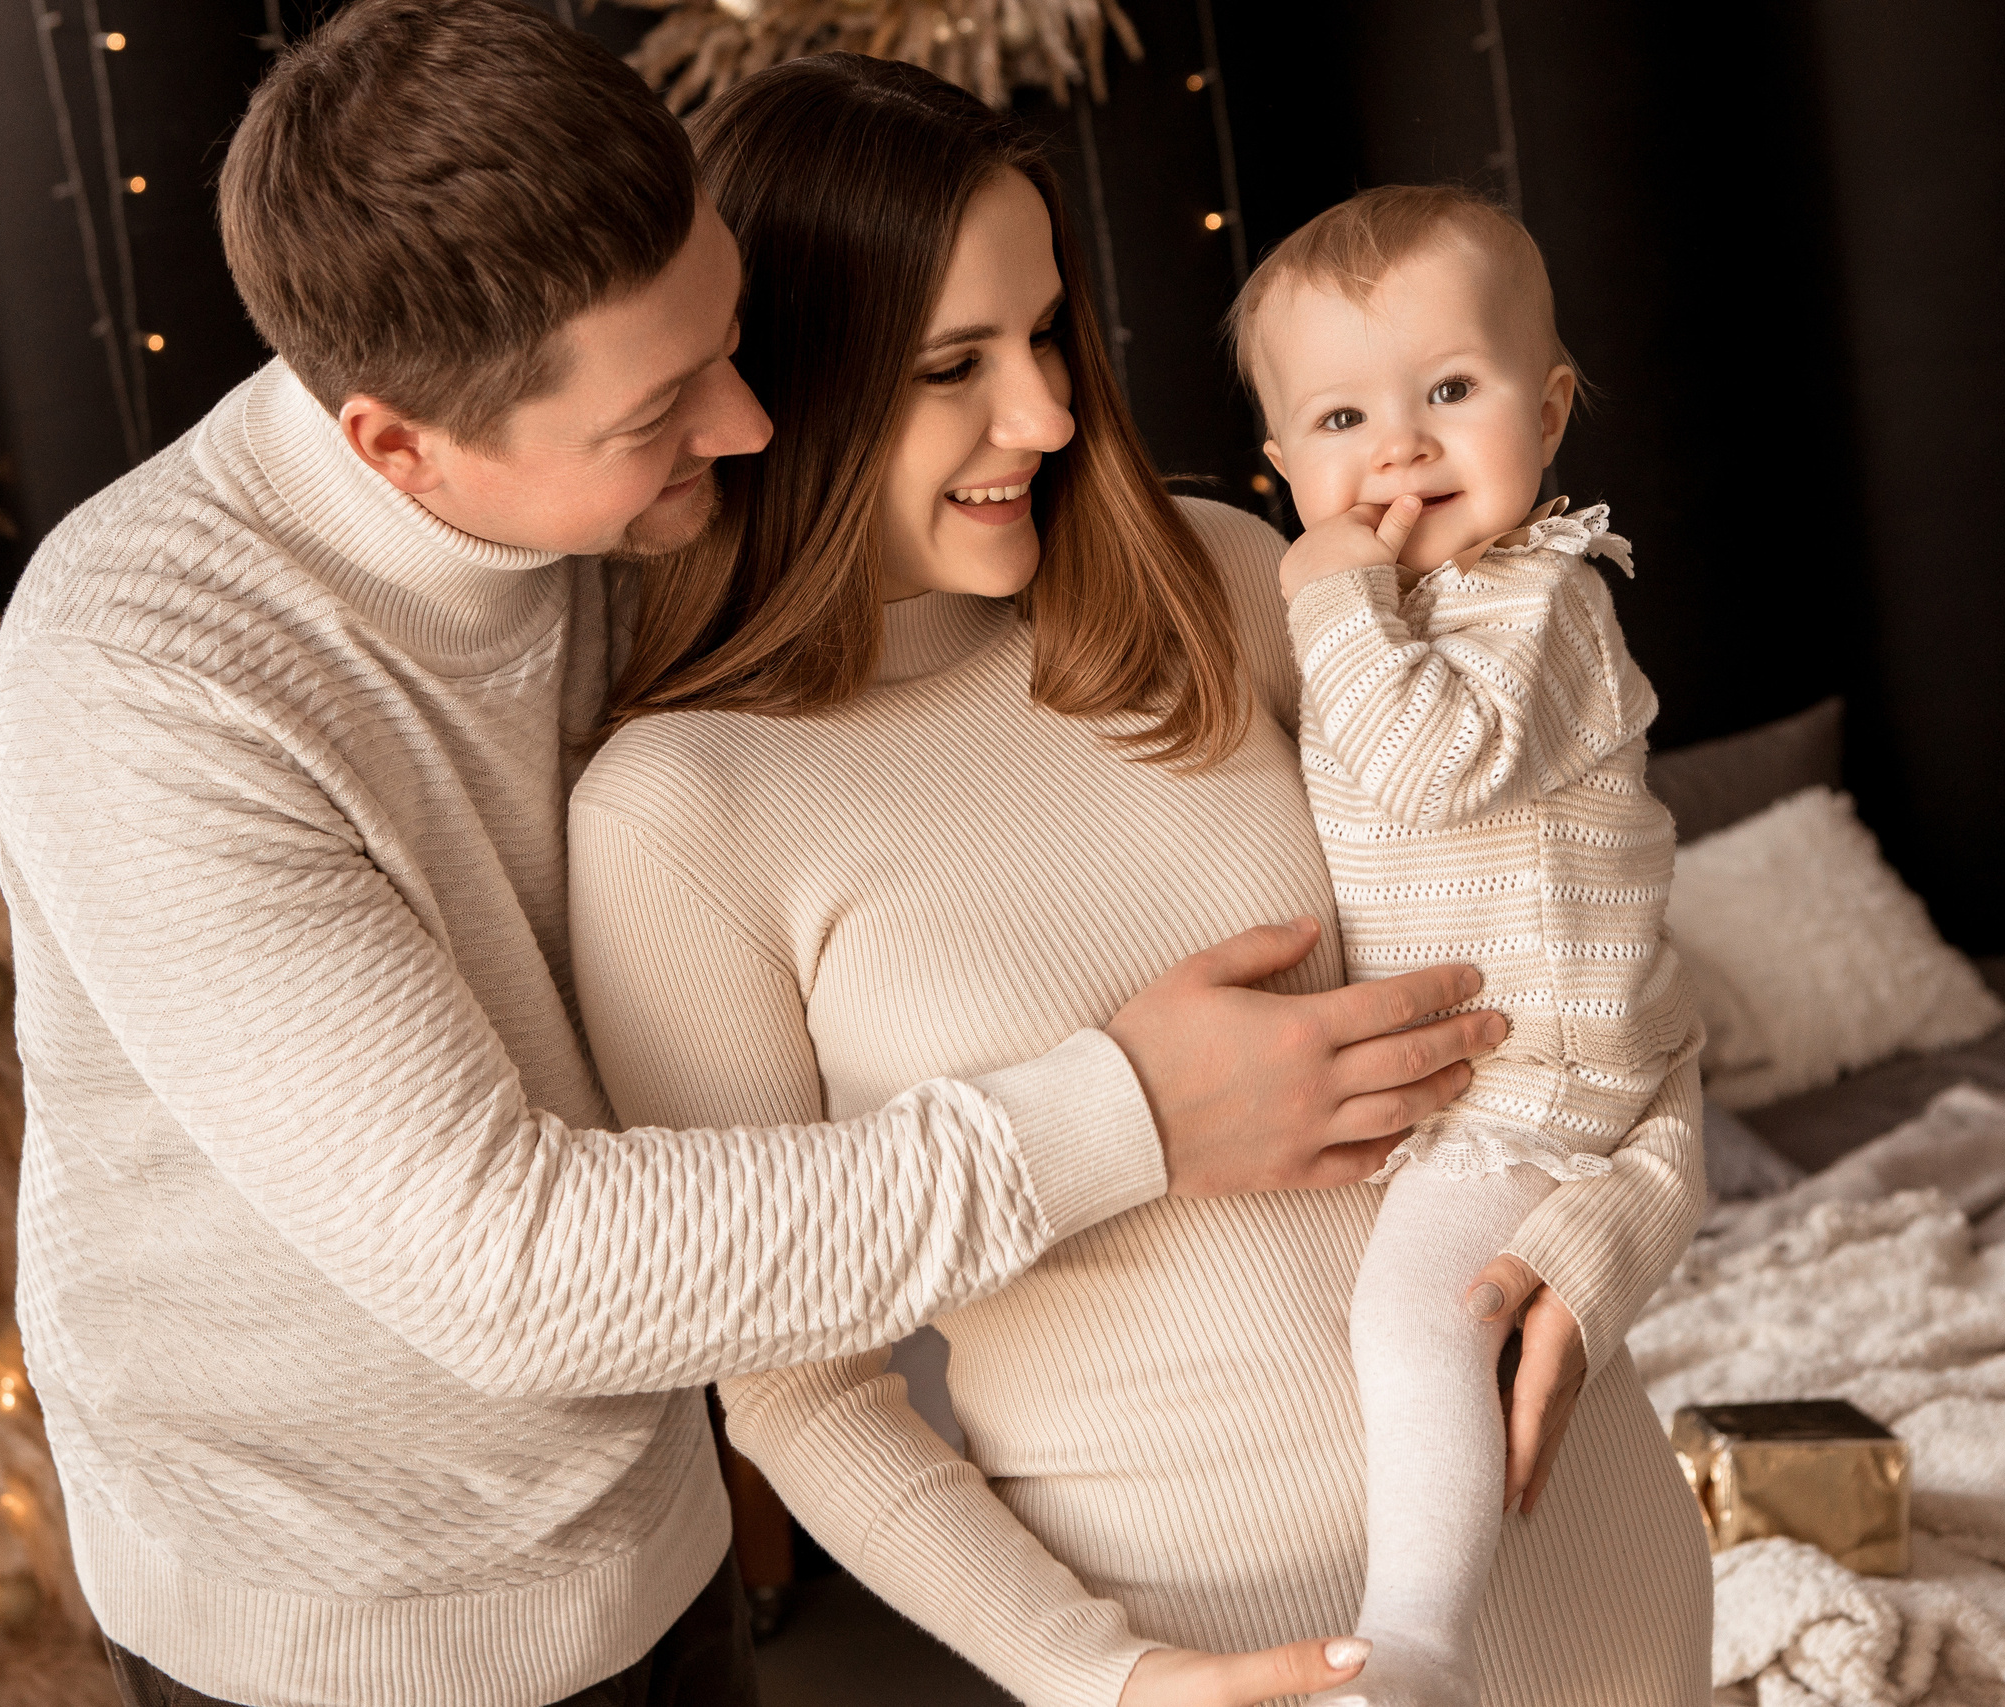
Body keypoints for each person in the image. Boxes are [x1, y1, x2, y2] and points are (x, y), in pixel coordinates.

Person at [0, 6, 1499, 1704]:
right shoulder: (147, 683)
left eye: (734, 336)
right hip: (340, 1606)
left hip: (656, 1513)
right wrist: (1130, 1114)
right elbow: (511, 1272)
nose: (753, 422)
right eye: (663, 408)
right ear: (399, 447)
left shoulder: (645, 498)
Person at [570, 55, 1714, 1707]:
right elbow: (798, 1391)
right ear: (783, 380)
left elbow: (1602, 961)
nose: (1043, 414)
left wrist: (1620, 1228)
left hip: (1595, 1562)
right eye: (954, 363)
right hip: (1227, 1653)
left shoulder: (1240, 586)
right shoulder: (682, 814)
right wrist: (1097, 1677)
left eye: (1048, 336)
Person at [1239, 185, 1698, 1706]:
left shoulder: (1540, 596)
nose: (1401, 449)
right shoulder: (1410, 610)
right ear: (1284, 465)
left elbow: (1428, 765)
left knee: (1414, 1314)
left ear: (1548, 411)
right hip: (1491, 1066)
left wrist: (1325, 594)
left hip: (1544, 1070)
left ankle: (1415, 1650)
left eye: (1450, 391)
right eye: (1344, 418)